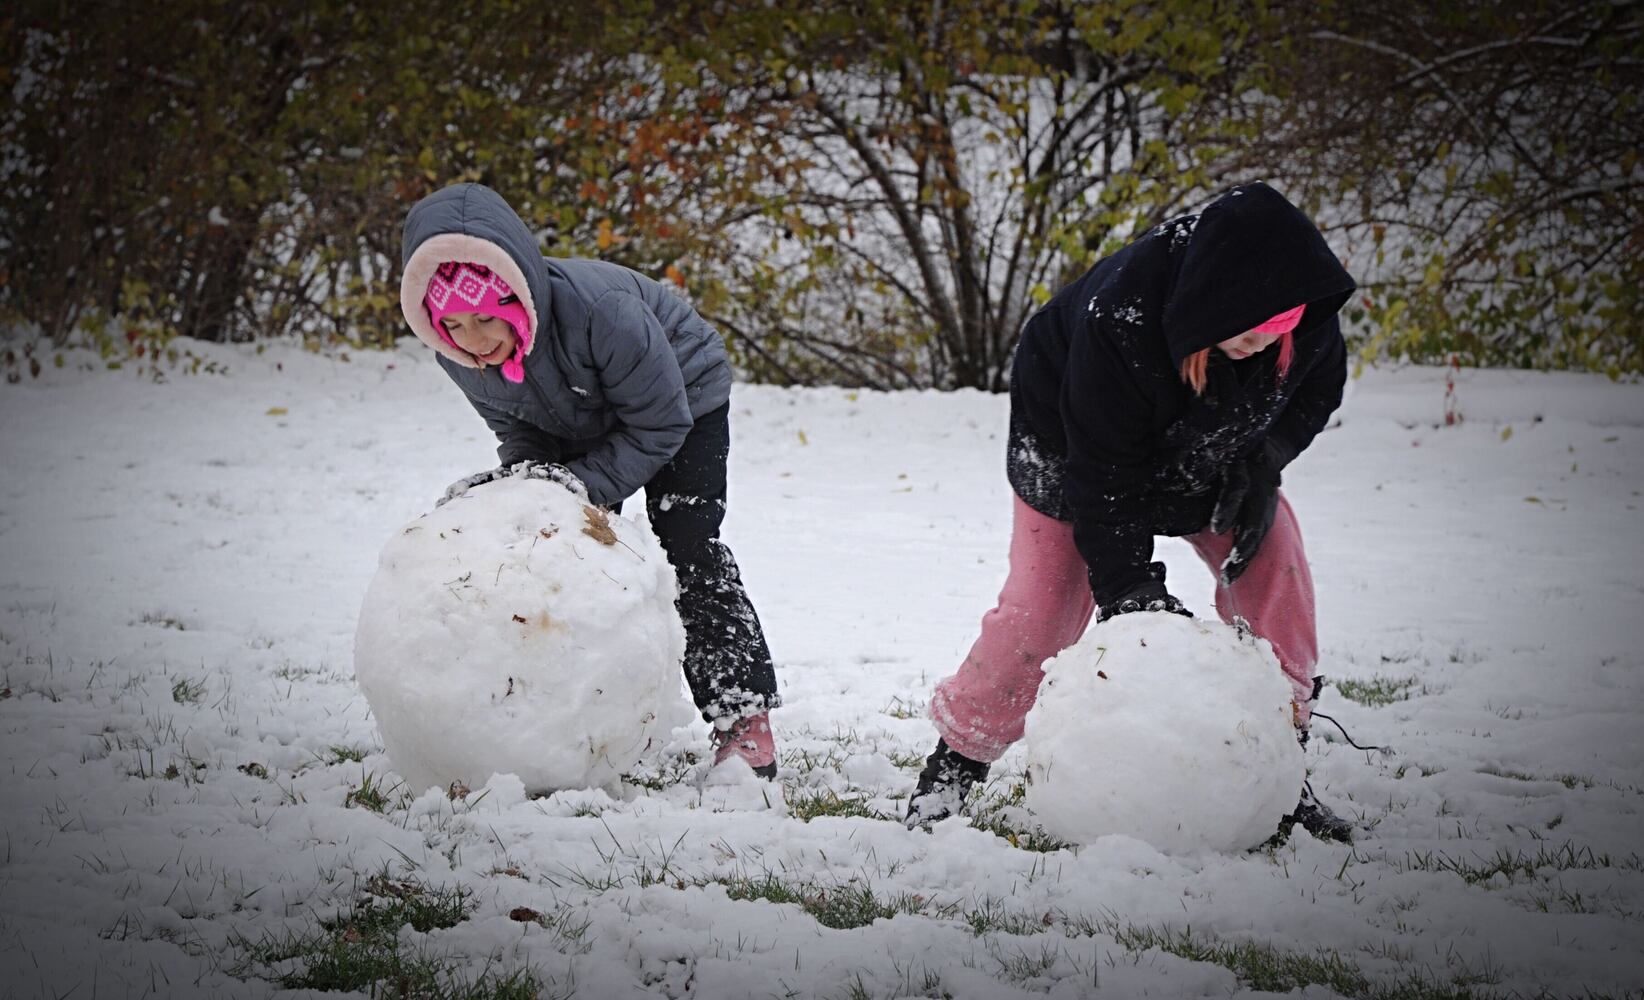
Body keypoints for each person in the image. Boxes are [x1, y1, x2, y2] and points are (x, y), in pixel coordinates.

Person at [906, 182, 1356, 842]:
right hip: (1076, 444)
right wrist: (1131, 589)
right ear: (1213, 306)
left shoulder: (1303, 320)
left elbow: (1317, 393)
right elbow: (1102, 473)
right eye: (1253, 327)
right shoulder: (1122, 320)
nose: (1267, 340)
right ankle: (955, 766)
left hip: (1211, 447)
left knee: (1278, 575)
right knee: (1043, 610)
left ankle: (1279, 765)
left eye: (1281, 327)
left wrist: (1264, 463)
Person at [398, 182, 780, 778]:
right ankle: (576, 718)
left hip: (681, 400)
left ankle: (741, 716)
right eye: (453, 324)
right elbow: (520, 432)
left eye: (484, 318)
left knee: (685, 544)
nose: (473, 340)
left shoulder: (602, 312)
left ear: (515, 297)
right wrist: (542, 489)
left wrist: (577, 484)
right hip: (576, 411)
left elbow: (660, 425)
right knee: (560, 545)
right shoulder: (459, 355)